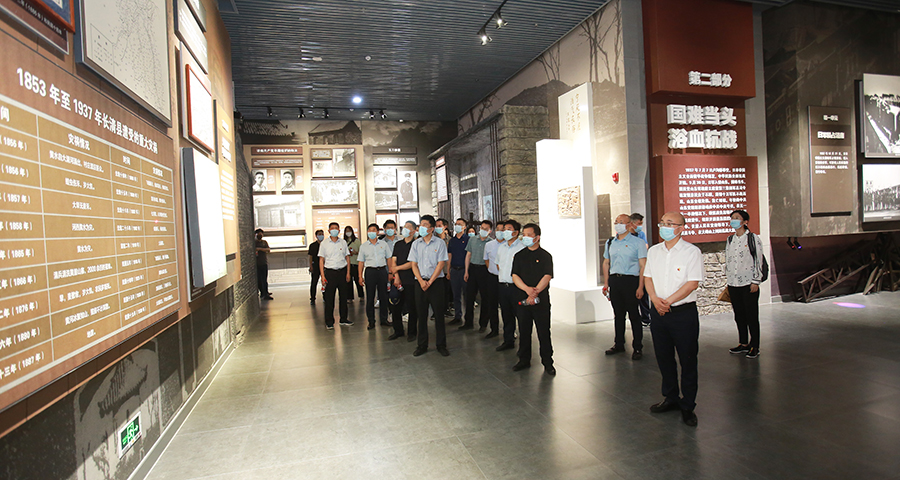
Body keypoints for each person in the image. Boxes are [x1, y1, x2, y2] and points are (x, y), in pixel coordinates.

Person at [644, 212, 704, 427]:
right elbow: (648, 277)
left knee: (687, 359)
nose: (664, 226)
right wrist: (654, 300)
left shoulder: (691, 252)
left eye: (670, 223)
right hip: (658, 312)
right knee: (664, 357)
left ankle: (688, 405)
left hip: (682, 313)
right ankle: (670, 397)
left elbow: (692, 283)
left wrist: (667, 302)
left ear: (681, 228)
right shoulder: (654, 251)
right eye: (662, 222)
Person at [511, 223, 555, 375]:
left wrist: (534, 293)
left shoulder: (545, 256)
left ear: (537, 237)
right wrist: (527, 290)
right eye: (524, 235)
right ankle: (524, 360)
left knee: (543, 331)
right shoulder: (519, 255)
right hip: (522, 299)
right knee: (524, 331)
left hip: (540, 301)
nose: (526, 237)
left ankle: (548, 362)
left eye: (529, 235)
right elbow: (515, 275)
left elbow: (547, 276)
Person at [603, 214, 648, 360]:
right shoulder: (610, 242)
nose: (618, 224)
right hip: (615, 281)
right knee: (618, 314)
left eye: (621, 222)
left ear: (629, 224)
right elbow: (606, 262)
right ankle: (619, 344)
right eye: (616, 222)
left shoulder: (638, 243)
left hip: (631, 281)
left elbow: (643, 266)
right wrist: (606, 283)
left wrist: (641, 286)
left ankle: (637, 346)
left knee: (634, 315)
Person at [725, 209, 764, 359]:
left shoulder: (753, 238)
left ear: (745, 222)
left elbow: (758, 260)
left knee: (751, 316)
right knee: (739, 315)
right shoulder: (730, 239)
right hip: (734, 283)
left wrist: (756, 280)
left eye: (737, 218)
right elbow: (728, 260)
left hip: (749, 283)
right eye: (732, 218)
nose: (733, 220)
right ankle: (743, 343)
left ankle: (755, 345)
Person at [409, 215, 450, 357]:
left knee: (439, 315)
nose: (421, 227)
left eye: (425, 225)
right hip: (420, 283)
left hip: (436, 283)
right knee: (421, 315)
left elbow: (441, 264)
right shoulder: (416, 244)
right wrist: (421, 281)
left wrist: (430, 282)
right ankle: (422, 345)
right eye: (420, 224)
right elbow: (413, 264)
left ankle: (441, 345)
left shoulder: (440, 243)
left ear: (432, 228)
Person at [495, 220, 525, 351]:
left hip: (516, 287)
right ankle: (508, 340)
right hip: (503, 286)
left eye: (508, 229)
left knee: (521, 316)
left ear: (515, 232)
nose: (504, 232)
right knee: (506, 315)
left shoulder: (522, 248)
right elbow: (498, 264)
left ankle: (524, 345)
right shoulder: (501, 247)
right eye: (504, 229)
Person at [358, 223, 392, 330]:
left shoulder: (383, 244)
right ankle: (371, 321)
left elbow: (389, 258)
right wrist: (360, 276)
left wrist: (390, 272)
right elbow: (361, 262)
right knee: (370, 297)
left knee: (383, 296)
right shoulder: (363, 246)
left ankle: (384, 319)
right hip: (370, 272)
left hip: (382, 271)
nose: (371, 232)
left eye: (374, 230)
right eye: (369, 230)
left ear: (378, 232)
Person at [319, 222, 353, 329]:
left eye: (336, 228)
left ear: (339, 230)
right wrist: (323, 276)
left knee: (343, 297)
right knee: (329, 298)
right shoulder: (324, 244)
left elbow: (347, 258)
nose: (334, 230)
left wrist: (348, 273)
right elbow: (321, 260)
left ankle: (343, 319)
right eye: (332, 228)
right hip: (330, 273)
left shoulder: (343, 242)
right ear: (329, 231)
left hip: (342, 272)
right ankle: (329, 321)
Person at [389, 221, 418, 341]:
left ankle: (412, 332)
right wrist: (396, 276)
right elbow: (393, 261)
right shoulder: (398, 244)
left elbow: (413, 263)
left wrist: (397, 268)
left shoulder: (416, 244)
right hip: (398, 280)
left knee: (412, 307)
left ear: (413, 231)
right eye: (404, 227)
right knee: (395, 306)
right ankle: (398, 331)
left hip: (411, 279)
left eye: (408, 227)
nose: (405, 229)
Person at [463, 220, 493, 332]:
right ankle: (468, 322)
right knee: (469, 297)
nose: (483, 230)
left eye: (486, 229)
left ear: (490, 231)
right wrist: (466, 271)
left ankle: (483, 323)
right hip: (472, 269)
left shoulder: (491, 243)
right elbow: (468, 255)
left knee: (485, 297)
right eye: (482, 228)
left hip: (484, 270)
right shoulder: (472, 239)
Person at [482, 221, 505, 337]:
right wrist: (491, 269)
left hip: (505, 279)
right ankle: (494, 329)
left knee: (506, 306)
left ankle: (509, 331)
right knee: (492, 304)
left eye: (502, 230)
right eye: (498, 230)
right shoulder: (489, 245)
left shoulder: (508, 245)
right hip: (492, 277)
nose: (499, 232)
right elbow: (486, 259)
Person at [447, 218, 469, 326]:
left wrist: (467, 271)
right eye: (456, 224)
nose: (457, 226)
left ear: (464, 227)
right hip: (454, 270)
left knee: (467, 295)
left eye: (460, 224)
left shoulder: (468, 239)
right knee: (456, 295)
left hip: (464, 270)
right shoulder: (452, 241)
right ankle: (457, 316)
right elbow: (449, 256)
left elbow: (469, 256)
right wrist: (448, 270)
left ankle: (468, 318)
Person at [631, 213, 652, 327]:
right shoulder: (624, 236)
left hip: (642, 268)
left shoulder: (641, 234)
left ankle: (646, 318)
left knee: (643, 295)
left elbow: (645, 246)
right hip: (632, 271)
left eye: (641, 223)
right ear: (632, 223)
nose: (640, 226)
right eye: (639, 223)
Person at [436, 218, 453, 318]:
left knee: (446, 291)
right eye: (436, 226)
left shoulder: (450, 240)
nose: (437, 228)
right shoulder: (433, 239)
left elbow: (450, 255)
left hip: (446, 269)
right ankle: (436, 312)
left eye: (439, 226)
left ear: (445, 227)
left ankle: (446, 309)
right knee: (436, 292)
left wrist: (449, 270)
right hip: (435, 270)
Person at [344, 226, 364, 303]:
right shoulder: (343, 242)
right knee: (348, 282)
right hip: (347, 264)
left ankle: (361, 295)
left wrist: (356, 252)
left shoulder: (357, 241)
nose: (348, 232)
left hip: (356, 263)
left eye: (349, 231)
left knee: (357, 280)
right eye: (347, 231)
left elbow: (361, 252)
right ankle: (349, 297)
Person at [308, 229, 325, 304]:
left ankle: (325, 297)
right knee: (314, 282)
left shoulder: (325, 244)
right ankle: (312, 298)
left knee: (325, 282)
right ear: (316, 236)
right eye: (319, 234)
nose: (321, 236)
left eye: (322, 234)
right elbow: (310, 256)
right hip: (315, 266)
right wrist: (311, 266)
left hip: (325, 266)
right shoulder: (312, 245)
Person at [255, 229, 273, 300]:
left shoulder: (264, 242)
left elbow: (268, 250)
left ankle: (265, 293)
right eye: (259, 234)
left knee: (264, 279)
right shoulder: (254, 243)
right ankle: (262, 293)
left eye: (261, 234)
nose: (260, 235)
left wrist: (260, 249)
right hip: (257, 264)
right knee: (259, 279)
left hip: (264, 263)